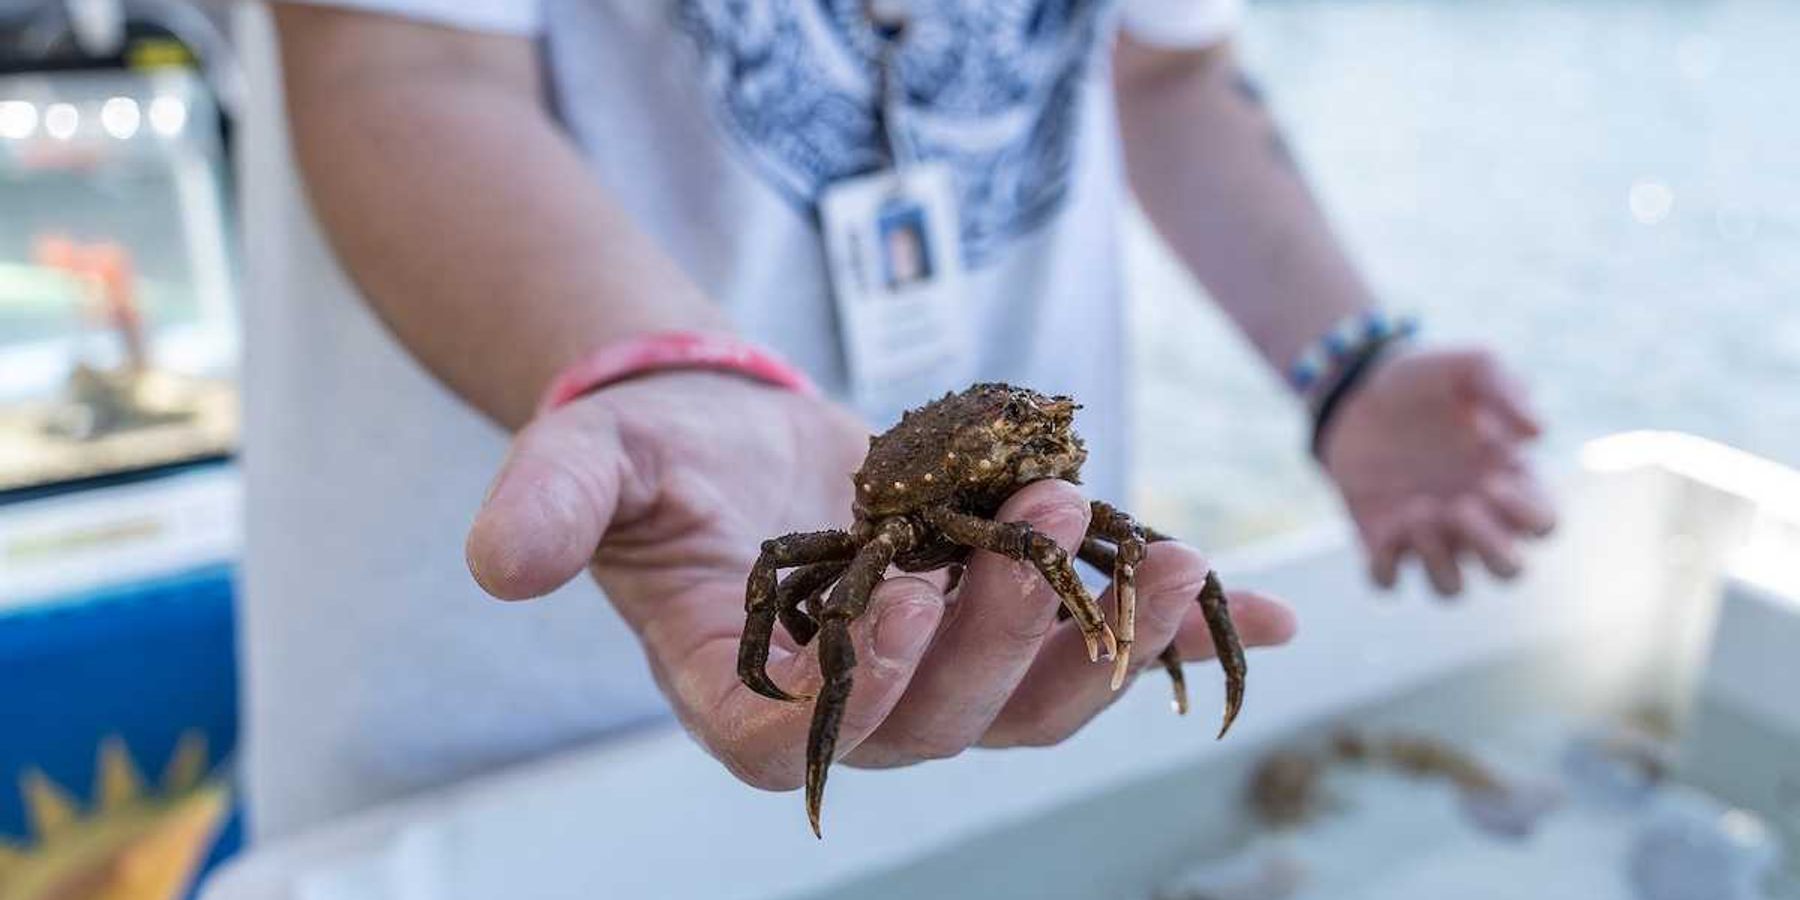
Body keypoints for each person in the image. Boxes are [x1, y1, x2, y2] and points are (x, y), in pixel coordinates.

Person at [243, 0, 1556, 840]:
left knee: (1096, 553)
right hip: (515, 683)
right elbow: (395, 55)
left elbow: (1164, 67)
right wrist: (666, 368)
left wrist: (1346, 364)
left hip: (1016, 692)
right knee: (914, 574)